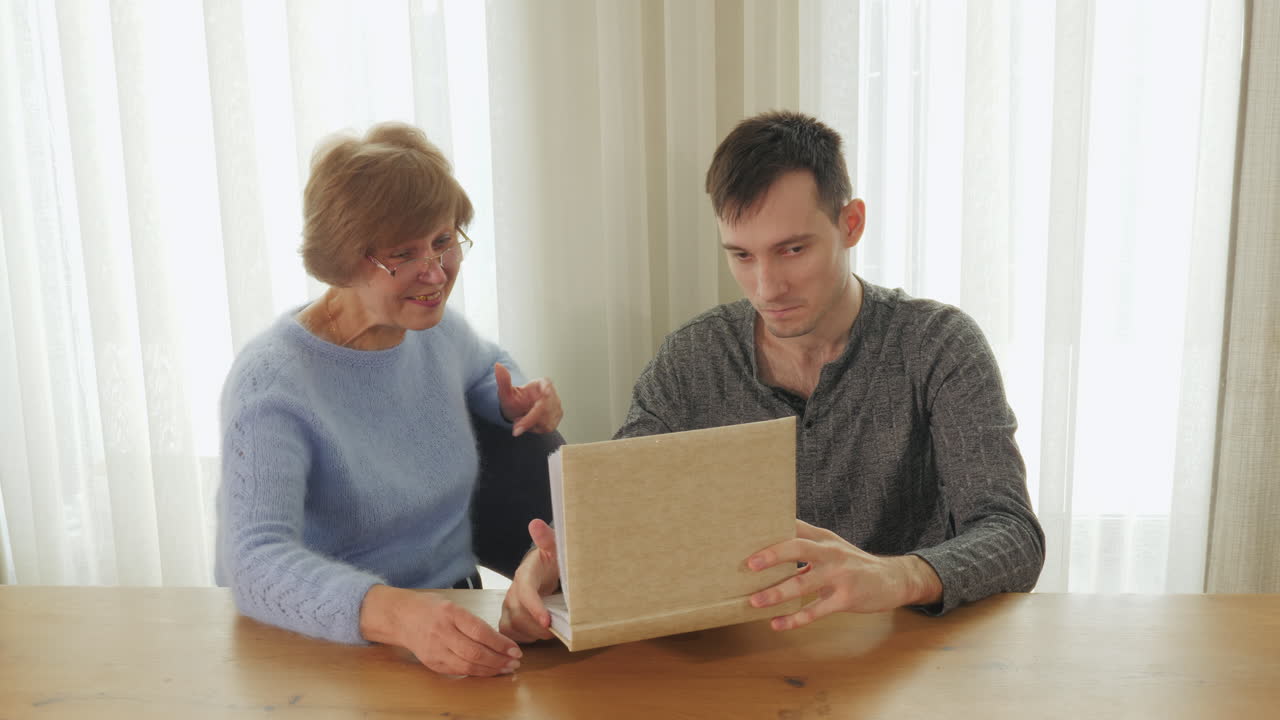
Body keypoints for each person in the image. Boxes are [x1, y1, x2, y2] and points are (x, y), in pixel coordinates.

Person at [500, 110, 1044, 642]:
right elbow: (618, 511)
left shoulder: (938, 344)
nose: (766, 288)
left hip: (905, 653)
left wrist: (894, 575)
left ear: (850, 224)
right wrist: (550, 566)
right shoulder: (693, 359)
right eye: (741, 255)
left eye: (792, 250)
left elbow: (1013, 534)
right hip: (734, 661)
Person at [217, 122, 562, 677]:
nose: (435, 272)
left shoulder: (435, 332)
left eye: (444, 241)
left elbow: (484, 367)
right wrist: (398, 616)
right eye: (403, 254)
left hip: (452, 614)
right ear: (344, 260)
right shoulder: (273, 381)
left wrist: (517, 397)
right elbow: (253, 561)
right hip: (335, 647)